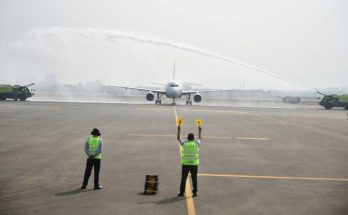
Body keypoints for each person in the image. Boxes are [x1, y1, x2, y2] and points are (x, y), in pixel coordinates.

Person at [177, 125, 202, 197]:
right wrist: (200, 130)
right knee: (194, 179)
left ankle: (181, 192)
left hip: (185, 164)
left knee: (183, 178)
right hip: (194, 164)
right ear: (193, 138)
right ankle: (195, 192)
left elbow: (178, 138)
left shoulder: (184, 144)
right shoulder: (196, 144)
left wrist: (179, 129)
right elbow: (200, 138)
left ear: (187, 138)